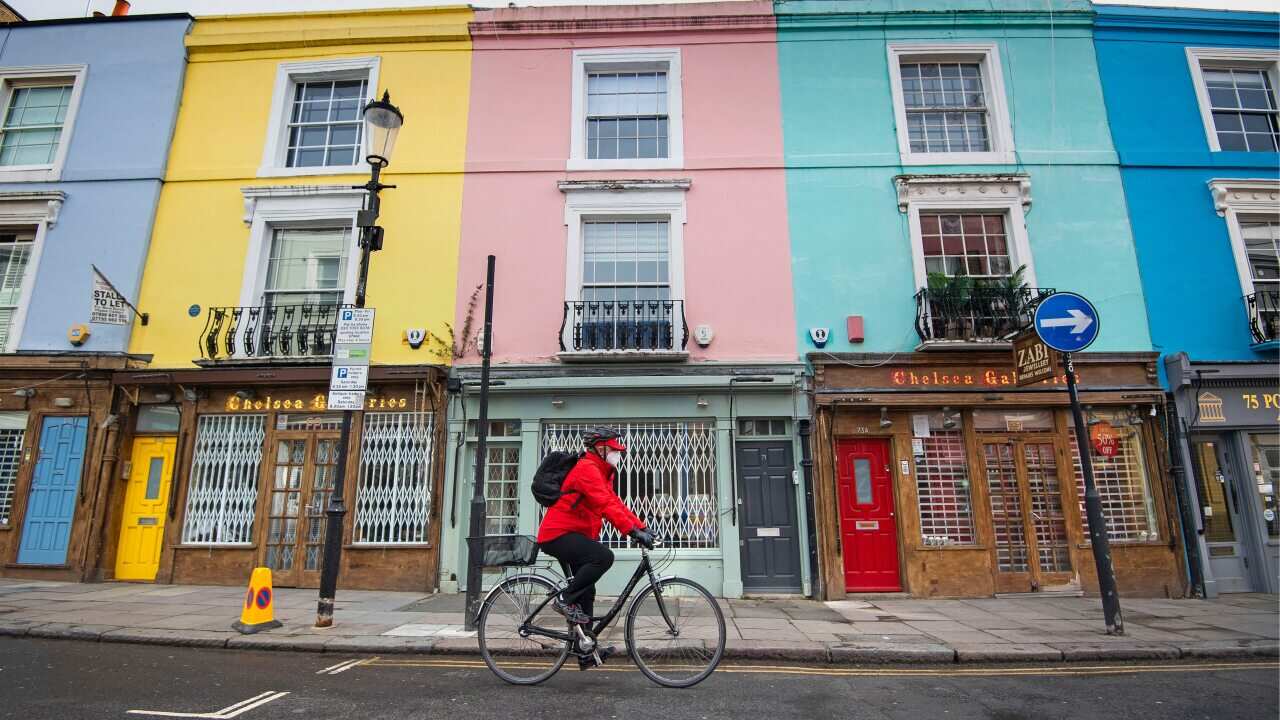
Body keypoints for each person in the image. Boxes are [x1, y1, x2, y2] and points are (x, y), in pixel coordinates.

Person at [536, 426, 655, 669]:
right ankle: (564, 600)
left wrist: (641, 526)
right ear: (600, 449)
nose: (617, 454)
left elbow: (614, 503)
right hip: (558, 534)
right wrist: (632, 532)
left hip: (574, 534)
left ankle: (584, 650)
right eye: (613, 449)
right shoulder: (587, 469)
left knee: (587, 590)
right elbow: (604, 505)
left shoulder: (601, 471)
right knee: (603, 557)